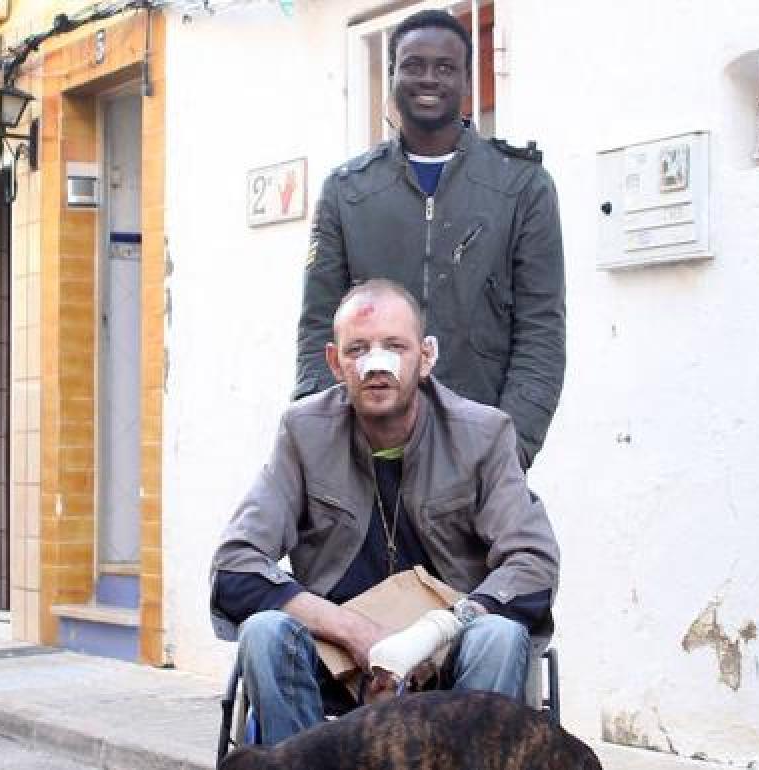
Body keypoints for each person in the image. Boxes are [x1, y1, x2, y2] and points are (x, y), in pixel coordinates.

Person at [212, 280, 560, 746]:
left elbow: (532, 562)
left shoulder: (484, 434)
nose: (376, 365)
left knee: (499, 636)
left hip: (450, 663)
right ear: (335, 362)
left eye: (394, 347)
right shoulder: (303, 432)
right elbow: (235, 565)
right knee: (264, 631)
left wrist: (433, 635)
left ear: (426, 356)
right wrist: (356, 633)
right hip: (338, 662)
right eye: (358, 349)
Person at [296, 9, 566, 470]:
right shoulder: (347, 191)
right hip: (363, 457)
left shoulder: (522, 187)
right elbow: (318, 327)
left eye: (445, 67)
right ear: (392, 75)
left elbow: (541, 333)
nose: (429, 79)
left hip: (479, 456)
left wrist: (509, 449)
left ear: (467, 80)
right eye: (414, 65)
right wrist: (328, 445)